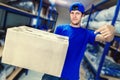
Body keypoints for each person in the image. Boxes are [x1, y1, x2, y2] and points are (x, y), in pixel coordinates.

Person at [42, 2, 115, 80]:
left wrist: (111, 32)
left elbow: (106, 39)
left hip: (70, 76)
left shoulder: (86, 33)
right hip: (53, 72)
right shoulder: (60, 28)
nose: (74, 16)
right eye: (72, 13)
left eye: (77, 13)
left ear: (82, 15)